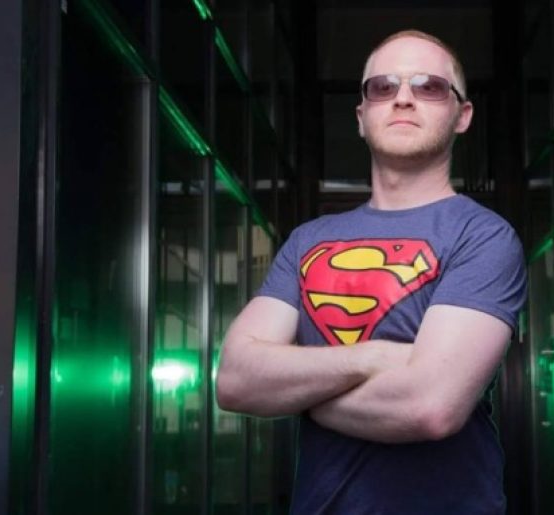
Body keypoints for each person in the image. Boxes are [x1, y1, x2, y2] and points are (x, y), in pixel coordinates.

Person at [216, 29, 527, 514]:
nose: (403, 98)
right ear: (361, 117)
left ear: (463, 115)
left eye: (429, 86)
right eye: (383, 87)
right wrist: (376, 357)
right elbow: (235, 380)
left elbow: (429, 408)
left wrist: (295, 395)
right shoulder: (307, 240)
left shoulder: (484, 236)